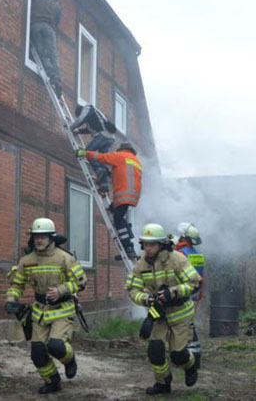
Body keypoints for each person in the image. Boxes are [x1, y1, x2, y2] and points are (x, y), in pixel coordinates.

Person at [5, 218, 87, 394]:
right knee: (37, 352)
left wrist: (62, 290)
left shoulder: (65, 258)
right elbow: (17, 285)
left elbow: (81, 282)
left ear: (51, 238)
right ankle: (52, 380)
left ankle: (70, 360)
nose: (39, 240)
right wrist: (11, 299)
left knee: (56, 346)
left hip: (62, 310)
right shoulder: (27, 260)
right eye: (36, 237)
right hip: (40, 312)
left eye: (43, 236)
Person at [126, 223, 202, 395]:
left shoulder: (177, 259)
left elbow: (194, 282)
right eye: (145, 244)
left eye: (152, 244)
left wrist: (173, 293)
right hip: (159, 314)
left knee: (178, 355)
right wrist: (146, 299)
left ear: (161, 244)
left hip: (180, 313)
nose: (148, 248)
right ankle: (163, 383)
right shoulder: (141, 265)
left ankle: (191, 366)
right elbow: (132, 290)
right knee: (155, 351)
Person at [76, 142, 142, 259]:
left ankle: (127, 247)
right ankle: (129, 239)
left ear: (123, 149)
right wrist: (110, 173)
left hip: (123, 195)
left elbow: (102, 157)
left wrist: (85, 153)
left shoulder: (121, 155)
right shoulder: (136, 161)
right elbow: (124, 175)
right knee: (115, 211)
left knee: (117, 220)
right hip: (132, 195)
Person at [174, 222, 205, 369]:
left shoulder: (181, 254)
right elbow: (201, 277)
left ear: (184, 237)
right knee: (189, 324)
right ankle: (195, 355)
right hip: (194, 294)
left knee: (183, 326)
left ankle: (190, 359)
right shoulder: (198, 255)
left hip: (183, 294)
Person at [70, 104, 117, 192]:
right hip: (110, 139)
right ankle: (104, 185)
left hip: (102, 135)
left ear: (80, 111)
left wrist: (71, 128)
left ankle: (99, 170)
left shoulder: (88, 108)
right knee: (101, 160)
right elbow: (89, 129)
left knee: (87, 153)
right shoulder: (95, 115)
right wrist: (78, 131)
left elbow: (81, 119)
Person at [30, 0, 63, 98]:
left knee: (41, 53)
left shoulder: (35, 2)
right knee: (52, 54)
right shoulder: (55, 5)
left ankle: (52, 74)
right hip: (48, 28)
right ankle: (56, 78)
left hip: (35, 26)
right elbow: (57, 21)